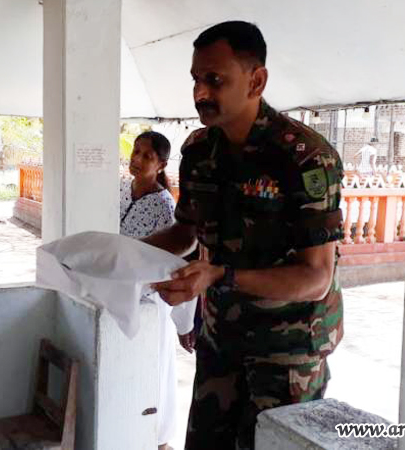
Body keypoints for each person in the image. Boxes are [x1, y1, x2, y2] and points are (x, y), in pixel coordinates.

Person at [144, 21, 344, 449]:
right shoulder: (199, 151)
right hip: (221, 339)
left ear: (256, 81)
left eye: (214, 80)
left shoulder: (304, 158)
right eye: (196, 79)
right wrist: (120, 254)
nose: (200, 92)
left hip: (287, 351)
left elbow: (316, 277)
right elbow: (186, 233)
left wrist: (220, 275)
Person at [120, 131, 182, 450]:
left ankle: (159, 437)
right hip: (120, 289)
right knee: (127, 365)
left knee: (155, 366)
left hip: (151, 297)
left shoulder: (163, 204)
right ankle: (129, 426)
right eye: (136, 151)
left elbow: (168, 260)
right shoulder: (122, 189)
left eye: (147, 156)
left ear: (161, 165)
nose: (137, 159)